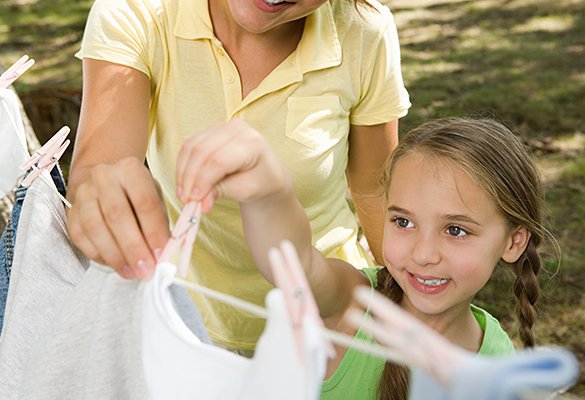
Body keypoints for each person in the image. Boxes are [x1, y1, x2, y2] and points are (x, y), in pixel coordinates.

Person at [66, 0, 411, 353]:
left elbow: (377, 194)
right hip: (188, 327)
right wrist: (99, 192)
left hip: (331, 325)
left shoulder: (364, 30)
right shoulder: (136, 12)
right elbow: (97, 170)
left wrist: (407, 302)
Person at [170, 117, 544, 399]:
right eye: (403, 221)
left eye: (456, 230)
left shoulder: (497, 357)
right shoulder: (351, 305)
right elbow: (295, 264)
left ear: (513, 242)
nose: (423, 254)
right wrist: (269, 191)